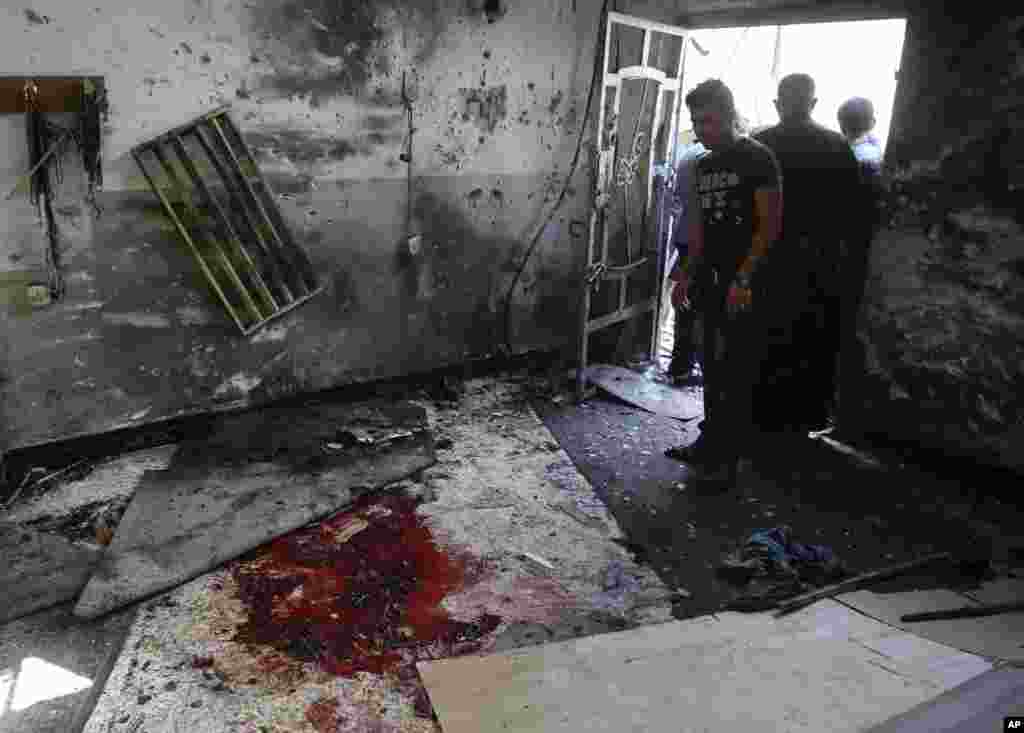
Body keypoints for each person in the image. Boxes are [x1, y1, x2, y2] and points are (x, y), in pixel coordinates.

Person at [664, 79, 783, 488]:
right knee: (711, 366)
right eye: (696, 122)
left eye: (709, 121)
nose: (701, 130)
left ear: (730, 116)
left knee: (737, 370)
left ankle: (728, 462)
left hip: (746, 283)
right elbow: (698, 228)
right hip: (710, 281)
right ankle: (710, 442)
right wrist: (685, 274)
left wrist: (745, 278)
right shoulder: (703, 165)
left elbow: (769, 225)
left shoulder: (758, 158)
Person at [752, 74, 861, 434]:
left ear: (777, 103)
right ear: (814, 104)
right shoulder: (837, 146)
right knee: (810, 340)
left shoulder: (759, 144)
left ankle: (761, 412)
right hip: (819, 263)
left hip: (769, 260)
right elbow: (851, 215)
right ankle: (804, 416)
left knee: (765, 338)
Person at [837, 96, 887, 390]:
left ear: (841, 124)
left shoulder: (846, 157)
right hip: (866, 252)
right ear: (872, 122)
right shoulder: (877, 155)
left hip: (841, 252)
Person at [664, 133, 707, 384]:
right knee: (694, 305)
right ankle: (686, 365)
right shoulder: (706, 157)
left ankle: (681, 365)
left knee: (686, 305)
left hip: (685, 234)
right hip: (697, 239)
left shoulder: (688, 155)